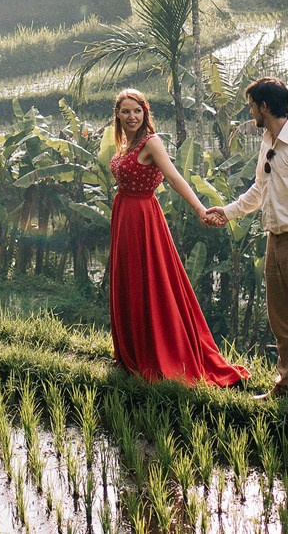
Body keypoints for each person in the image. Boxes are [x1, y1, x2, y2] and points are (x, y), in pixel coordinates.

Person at [202, 76, 288, 402]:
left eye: (252, 105)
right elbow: (259, 190)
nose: (250, 111)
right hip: (275, 240)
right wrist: (230, 211)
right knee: (282, 320)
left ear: (264, 106)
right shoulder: (268, 140)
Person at [102, 89, 248, 387]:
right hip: (124, 215)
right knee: (128, 281)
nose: (132, 117)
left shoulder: (150, 142)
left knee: (150, 283)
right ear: (117, 114)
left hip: (144, 217)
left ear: (145, 114)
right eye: (126, 111)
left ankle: (158, 353)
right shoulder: (124, 143)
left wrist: (200, 210)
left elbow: (175, 177)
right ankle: (130, 351)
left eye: (137, 111)